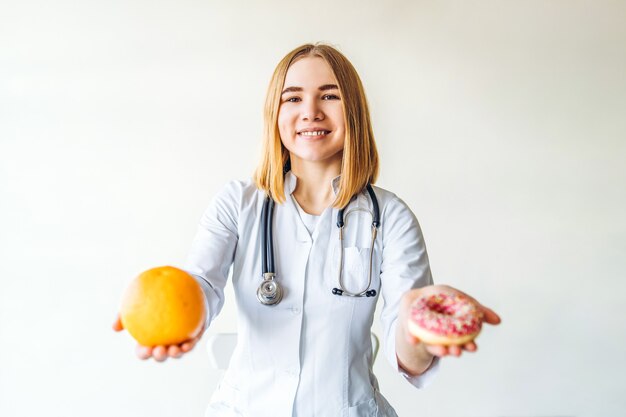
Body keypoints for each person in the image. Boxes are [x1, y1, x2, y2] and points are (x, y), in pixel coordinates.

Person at [114, 43, 501, 417]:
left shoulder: (392, 216)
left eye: (329, 96)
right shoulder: (238, 203)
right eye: (293, 98)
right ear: (274, 113)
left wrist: (420, 329)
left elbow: (411, 353)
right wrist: (166, 319)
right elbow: (201, 286)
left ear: (354, 111)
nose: (310, 112)